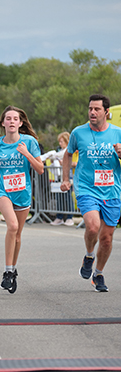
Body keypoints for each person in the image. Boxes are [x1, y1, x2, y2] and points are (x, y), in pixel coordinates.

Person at [61, 94, 121, 292]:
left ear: (107, 112)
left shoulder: (117, 133)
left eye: (96, 109)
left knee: (106, 238)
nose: (92, 112)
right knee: (93, 227)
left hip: (112, 190)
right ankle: (88, 255)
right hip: (87, 187)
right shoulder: (79, 132)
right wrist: (65, 179)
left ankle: (99, 274)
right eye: (90, 109)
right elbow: (68, 154)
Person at [0, 106, 44, 293]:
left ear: (20, 123)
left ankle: (12, 270)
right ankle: (7, 271)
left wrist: (27, 154)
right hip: (2, 189)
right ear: (3, 123)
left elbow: (40, 169)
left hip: (22, 191)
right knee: (12, 226)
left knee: (18, 235)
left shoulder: (29, 142)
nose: (12, 121)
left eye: (15, 119)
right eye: (8, 118)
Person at [47, 132, 76, 226]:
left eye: (62, 141)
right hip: (58, 177)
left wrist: (64, 162)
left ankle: (69, 217)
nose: (60, 143)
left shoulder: (70, 150)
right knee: (59, 197)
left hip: (67, 176)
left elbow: (74, 162)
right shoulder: (59, 151)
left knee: (67, 197)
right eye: (59, 142)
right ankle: (59, 217)